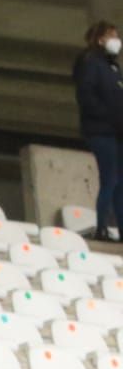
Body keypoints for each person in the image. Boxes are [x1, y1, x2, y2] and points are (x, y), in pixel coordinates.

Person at [72, 20, 123, 242]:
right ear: (101, 39)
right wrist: (109, 118)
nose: (116, 40)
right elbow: (88, 97)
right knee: (109, 180)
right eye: (112, 35)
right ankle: (102, 227)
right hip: (102, 131)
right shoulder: (91, 63)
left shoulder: (113, 67)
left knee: (120, 182)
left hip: (117, 132)